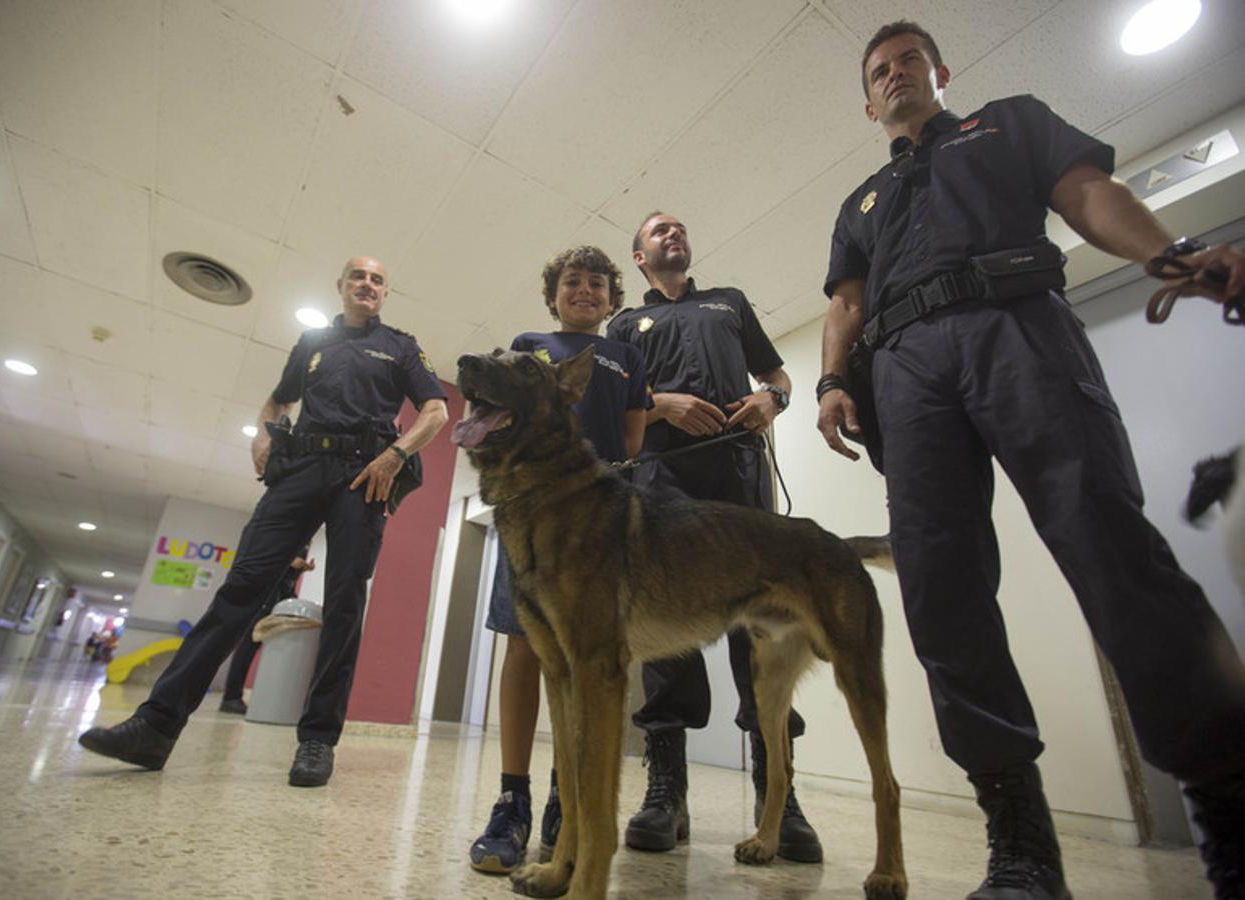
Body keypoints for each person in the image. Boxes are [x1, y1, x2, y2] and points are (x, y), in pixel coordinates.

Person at [816, 21, 1245, 899]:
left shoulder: (1008, 124)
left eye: (909, 62)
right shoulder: (859, 201)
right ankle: (1021, 845)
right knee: (941, 590)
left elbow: (1089, 193)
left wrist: (1170, 254)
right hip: (904, 373)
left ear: (940, 72)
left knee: (1107, 540)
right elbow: (847, 303)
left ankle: (1229, 805)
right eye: (879, 71)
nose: (896, 75)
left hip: (1017, 325)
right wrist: (829, 382)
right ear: (868, 104)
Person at [78, 256, 449, 788]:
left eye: (377, 279)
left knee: (344, 603)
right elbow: (279, 400)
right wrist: (263, 434)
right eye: (358, 276)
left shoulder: (400, 346)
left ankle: (317, 741)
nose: (367, 284)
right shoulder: (313, 342)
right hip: (300, 470)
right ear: (340, 286)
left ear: (385, 292)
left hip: (364, 474)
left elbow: (435, 411)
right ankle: (155, 728)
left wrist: (395, 455)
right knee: (241, 589)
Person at [605, 213, 822, 863]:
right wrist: (662, 403)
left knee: (763, 628)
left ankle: (776, 796)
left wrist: (772, 402)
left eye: (679, 228)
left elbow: (778, 378)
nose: (673, 234)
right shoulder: (622, 326)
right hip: (660, 482)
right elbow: (611, 410)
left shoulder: (728, 304)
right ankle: (666, 794)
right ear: (639, 256)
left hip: (739, 479)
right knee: (668, 632)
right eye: (659, 230)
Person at [468, 246, 651, 874]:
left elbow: (631, 442)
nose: (585, 290)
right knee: (524, 646)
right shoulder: (528, 345)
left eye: (597, 283)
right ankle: (511, 800)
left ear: (611, 298)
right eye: (572, 281)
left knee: (587, 660)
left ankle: (563, 800)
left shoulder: (627, 356)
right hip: (527, 515)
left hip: (598, 526)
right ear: (553, 296)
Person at [219, 548, 314, 715]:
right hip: (266, 600)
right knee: (247, 648)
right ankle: (231, 697)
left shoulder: (303, 545)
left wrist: (300, 568)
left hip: (282, 599)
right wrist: (289, 560)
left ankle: (252, 696)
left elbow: (288, 579)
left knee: (270, 650)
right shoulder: (288, 538)